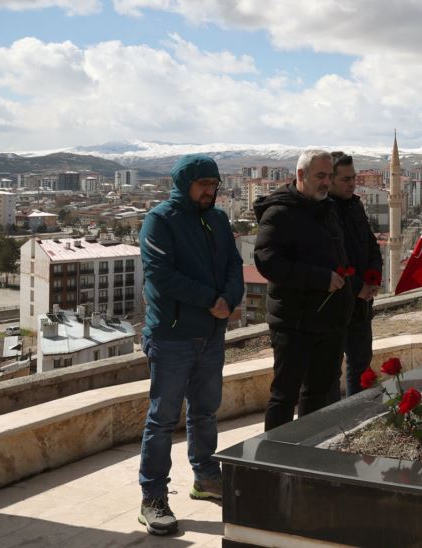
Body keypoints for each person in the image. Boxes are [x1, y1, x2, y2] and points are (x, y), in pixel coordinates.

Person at [137, 154, 244, 535]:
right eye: (203, 185)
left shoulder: (217, 219)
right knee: (163, 418)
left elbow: (234, 263)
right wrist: (211, 301)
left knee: (205, 411)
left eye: (214, 185)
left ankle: (205, 477)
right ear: (184, 184)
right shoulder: (160, 221)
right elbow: (161, 275)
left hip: (211, 335)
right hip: (172, 337)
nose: (209, 191)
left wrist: (230, 299)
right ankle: (153, 496)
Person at [254, 150, 353, 430]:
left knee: (318, 395)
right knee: (284, 396)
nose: (326, 182)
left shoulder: (327, 209)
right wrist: (320, 278)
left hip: (329, 321)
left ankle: (307, 455)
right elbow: (268, 262)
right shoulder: (279, 213)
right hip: (293, 323)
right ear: (300, 175)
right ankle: (274, 459)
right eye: (320, 176)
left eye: (329, 176)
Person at [329, 152, 383, 396]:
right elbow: (330, 259)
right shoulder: (323, 211)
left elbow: (370, 244)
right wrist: (357, 286)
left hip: (361, 303)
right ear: (329, 180)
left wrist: (373, 278)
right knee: (329, 371)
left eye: (353, 178)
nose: (351, 183)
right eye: (345, 179)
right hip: (337, 303)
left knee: (361, 365)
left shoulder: (355, 205)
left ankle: (359, 419)